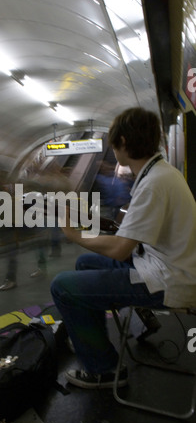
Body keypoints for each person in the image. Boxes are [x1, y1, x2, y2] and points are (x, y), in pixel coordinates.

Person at [51, 107, 196, 389]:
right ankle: (91, 338)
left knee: (62, 286)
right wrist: (95, 225)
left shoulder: (154, 183)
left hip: (171, 280)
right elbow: (134, 233)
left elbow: (120, 250)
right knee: (85, 264)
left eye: (113, 143)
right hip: (165, 265)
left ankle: (103, 369)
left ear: (124, 143)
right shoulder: (160, 173)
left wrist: (75, 234)